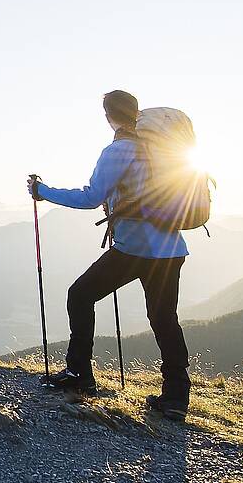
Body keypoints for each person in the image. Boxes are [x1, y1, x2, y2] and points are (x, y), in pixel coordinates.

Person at [30, 89, 192, 420]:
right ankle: (176, 396)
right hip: (171, 249)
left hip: (135, 249)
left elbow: (90, 197)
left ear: (108, 116)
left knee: (80, 295)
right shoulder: (159, 150)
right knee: (164, 319)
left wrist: (42, 192)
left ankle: (80, 375)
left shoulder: (118, 151)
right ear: (136, 113)